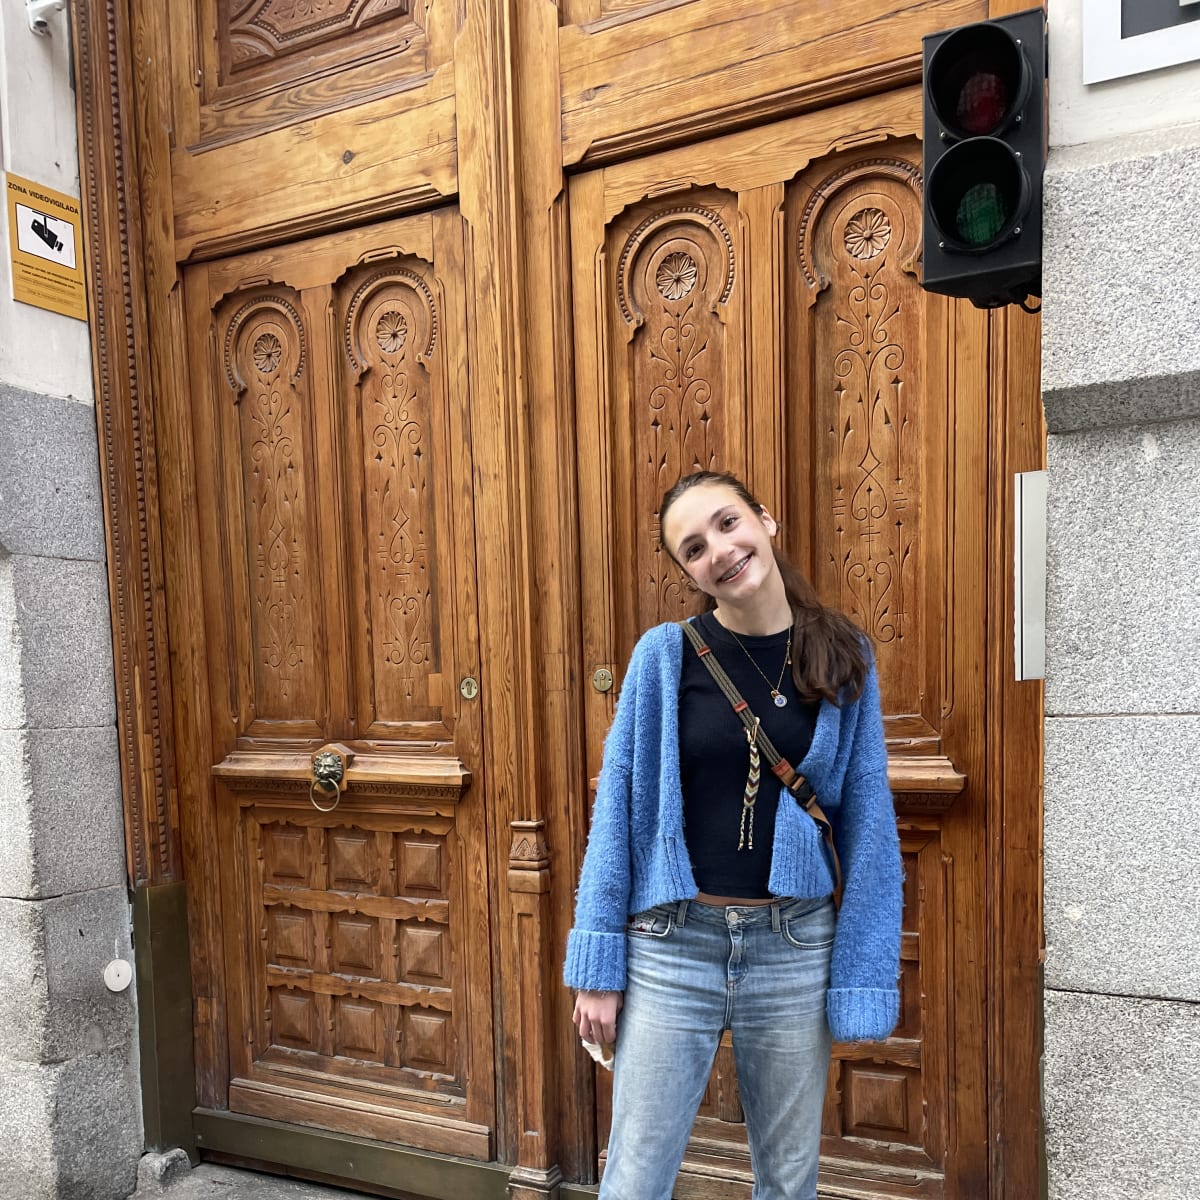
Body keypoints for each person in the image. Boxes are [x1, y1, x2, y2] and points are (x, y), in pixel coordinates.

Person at [563, 470, 902, 1200]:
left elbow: (869, 826)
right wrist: (597, 962)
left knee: (787, 1181)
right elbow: (616, 809)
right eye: (693, 547)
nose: (718, 549)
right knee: (634, 1178)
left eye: (727, 523)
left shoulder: (844, 657)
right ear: (688, 572)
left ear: (766, 521)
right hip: (670, 946)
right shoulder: (665, 655)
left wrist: (861, 976)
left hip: (793, 948)